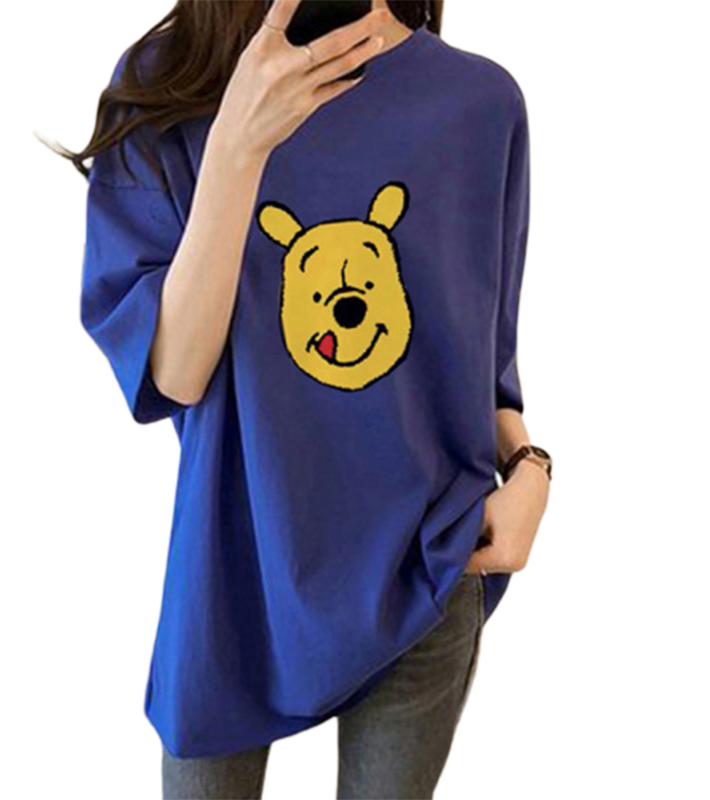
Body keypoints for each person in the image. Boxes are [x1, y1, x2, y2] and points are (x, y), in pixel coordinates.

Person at [55, 0, 552, 797]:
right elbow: (175, 373)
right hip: (236, 575)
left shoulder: (478, 104)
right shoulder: (170, 86)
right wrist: (237, 147)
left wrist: (530, 468)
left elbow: (482, 357)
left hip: (428, 562)